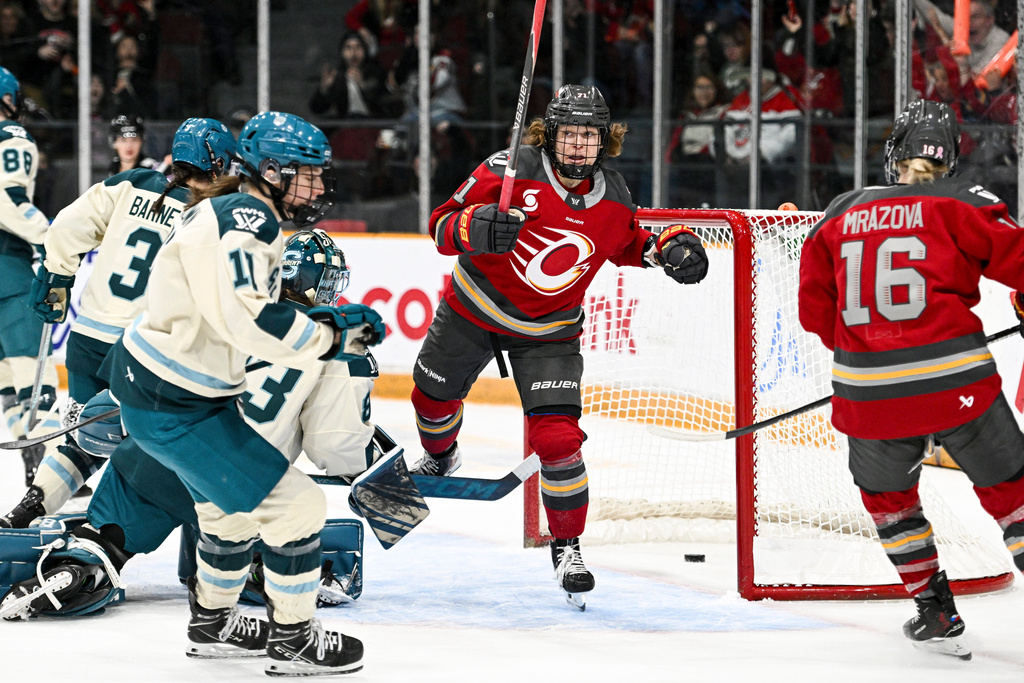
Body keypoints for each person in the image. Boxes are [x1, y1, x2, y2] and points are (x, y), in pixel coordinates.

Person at [99, 111, 382, 675]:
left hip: (173, 391)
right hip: (174, 401)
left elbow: (234, 311)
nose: (320, 187)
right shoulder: (248, 217)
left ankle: (212, 625)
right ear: (272, 172)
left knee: (227, 515)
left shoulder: (238, 212)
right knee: (298, 505)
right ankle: (294, 639)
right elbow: (248, 321)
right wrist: (333, 334)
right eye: (308, 175)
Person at [409, 84, 709, 609]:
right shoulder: (510, 169)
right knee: (430, 399)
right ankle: (440, 456)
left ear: (604, 141)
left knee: (558, 441)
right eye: (568, 133)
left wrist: (670, 248)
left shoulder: (613, 195)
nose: (577, 145)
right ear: (550, 135)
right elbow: (439, 225)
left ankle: (566, 544)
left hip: (549, 330)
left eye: (588, 135)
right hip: (472, 309)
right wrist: (473, 227)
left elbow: (632, 243)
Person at [1, 230, 381, 625]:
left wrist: (108, 409)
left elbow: (128, 388)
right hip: (233, 483)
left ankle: (81, 568)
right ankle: (253, 568)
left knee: (104, 541)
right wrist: (365, 459)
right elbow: (333, 447)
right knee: (250, 537)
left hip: (151, 459)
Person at [798, 99, 1024, 661]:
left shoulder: (838, 211)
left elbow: (814, 316)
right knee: (1014, 496)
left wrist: (873, 354)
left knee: (890, 502)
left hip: (868, 394)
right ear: (948, 160)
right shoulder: (962, 201)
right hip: (956, 382)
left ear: (893, 155)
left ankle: (935, 610)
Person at [2, 117, 238, 528]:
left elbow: (67, 228)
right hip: (142, 354)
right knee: (153, 448)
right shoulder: (213, 217)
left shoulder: (133, 183)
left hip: (87, 340)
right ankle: (111, 533)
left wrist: (57, 275)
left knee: (86, 438)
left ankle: (27, 510)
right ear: (217, 163)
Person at [0, 67, 57, 490]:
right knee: (34, 380)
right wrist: (55, 237)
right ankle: (51, 479)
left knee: (6, 381)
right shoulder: (12, 137)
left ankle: (32, 468)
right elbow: (9, 199)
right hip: (10, 269)